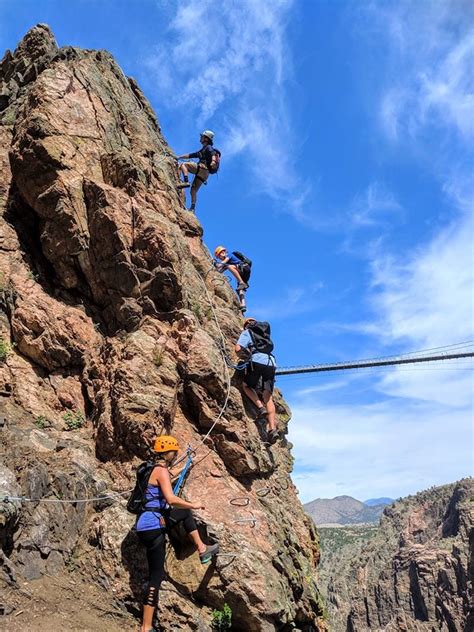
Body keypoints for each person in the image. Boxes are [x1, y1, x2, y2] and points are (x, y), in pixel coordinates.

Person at [135, 435, 219, 632]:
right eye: (174, 452)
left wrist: (187, 463)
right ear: (168, 452)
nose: (175, 455)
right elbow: (171, 499)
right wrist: (194, 504)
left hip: (145, 523)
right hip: (153, 526)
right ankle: (145, 627)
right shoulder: (161, 471)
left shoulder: (151, 469)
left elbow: (169, 476)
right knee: (156, 576)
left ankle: (201, 548)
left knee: (184, 514)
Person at [235, 318, 279, 444]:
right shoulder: (265, 335)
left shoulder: (248, 332)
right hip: (271, 363)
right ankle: (272, 429)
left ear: (247, 325)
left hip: (256, 360)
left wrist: (245, 357)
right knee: (268, 397)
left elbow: (238, 349)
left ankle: (260, 408)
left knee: (247, 386)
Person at [177, 130, 218, 212]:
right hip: (205, 174)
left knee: (183, 165)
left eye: (202, 136)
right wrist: (179, 157)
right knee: (193, 190)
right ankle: (192, 208)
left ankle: (186, 181)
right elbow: (190, 155)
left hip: (203, 168)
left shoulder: (208, 147)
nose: (200, 138)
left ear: (206, 139)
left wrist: (213, 161)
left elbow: (213, 154)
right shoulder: (202, 151)